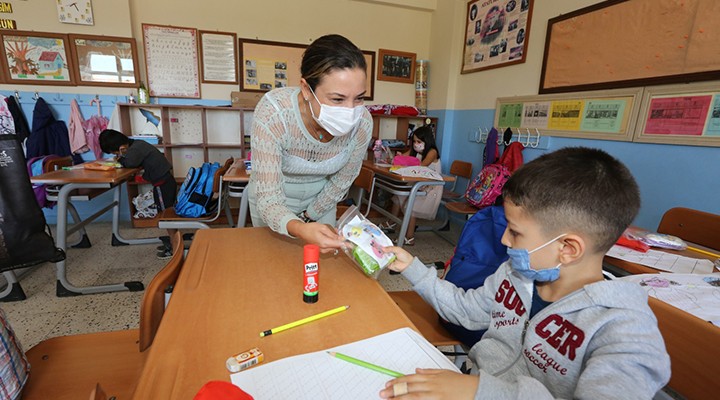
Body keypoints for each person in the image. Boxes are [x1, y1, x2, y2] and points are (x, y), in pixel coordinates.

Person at [379, 147, 670, 399]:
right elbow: (467, 310)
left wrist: (479, 392)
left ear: (568, 249)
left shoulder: (622, 328)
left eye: (515, 232)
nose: (504, 240)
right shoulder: (515, 274)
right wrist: (412, 268)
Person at [247, 34, 372, 253]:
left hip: (321, 201)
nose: (351, 110)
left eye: (359, 98)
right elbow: (268, 198)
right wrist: (298, 227)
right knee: (274, 266)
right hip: (273, 201)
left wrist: (309, 216)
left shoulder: (362, 124)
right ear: (306, 89)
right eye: (337, 99)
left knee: (319, 272)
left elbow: (342, 181)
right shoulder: (274, 114)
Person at [99, 129, 177, 258]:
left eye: (115, 152)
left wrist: (120, 158)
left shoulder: (135, 149)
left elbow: (130, 163)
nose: (116, 155)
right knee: (165, 214)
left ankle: (175, 247)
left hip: (163, 185)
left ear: (121, 147)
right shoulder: (137, 144)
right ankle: (173, 239)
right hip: (164, 182)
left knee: (165, 216)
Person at [379, 126, 441, 246]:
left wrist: (405, 162)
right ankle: (392, 222)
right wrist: (398, 158)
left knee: (411, 206)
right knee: (397, 197)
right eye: (414, 141)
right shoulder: (415, 151)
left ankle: (409, 237)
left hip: (430, 187)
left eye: (419, 142)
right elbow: (402, 159)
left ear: (426, 141)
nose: (416, 144)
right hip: (418, 184)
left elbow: (421, 167)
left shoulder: (432, 152)